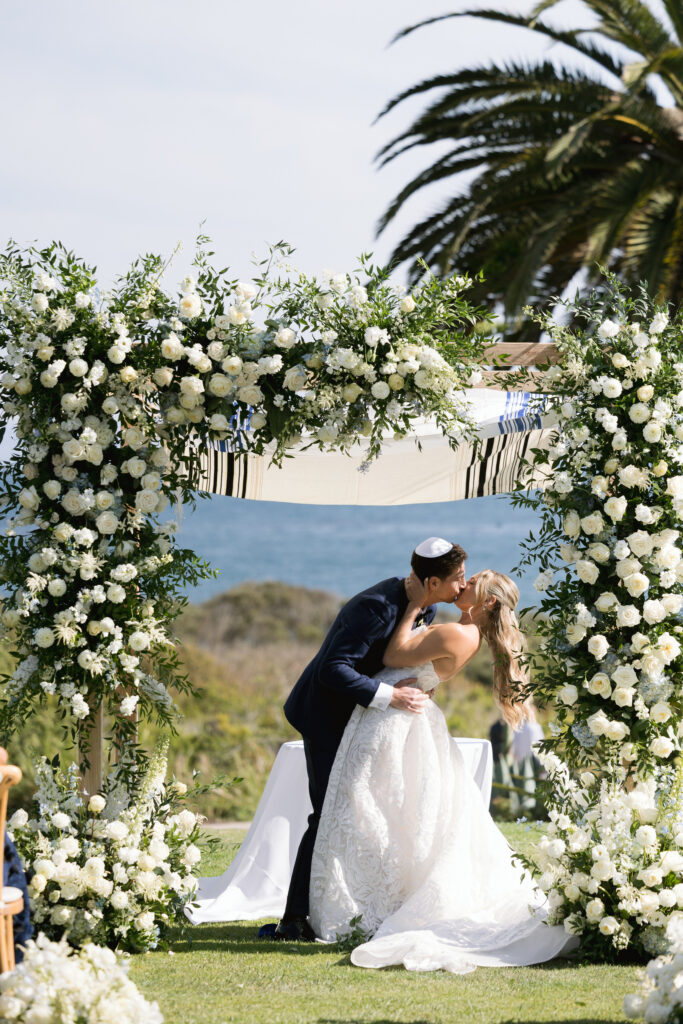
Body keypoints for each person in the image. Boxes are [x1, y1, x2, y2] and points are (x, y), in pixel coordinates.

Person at [309, 570, 577, 973]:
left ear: (487, 602)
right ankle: (376, 898)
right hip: (400, 714)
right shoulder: (465, 632)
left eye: (474, 583)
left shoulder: (458, 632)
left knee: (371, 808)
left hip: (396, 721)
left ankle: (373, 903)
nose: (464, 585)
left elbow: (393, 656)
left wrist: (415, 605)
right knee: (387, 812)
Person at [258, 537, 468, 941]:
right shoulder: (375, 607)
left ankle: (355, 904)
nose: (462, 586)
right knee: (328, 813)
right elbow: (333, 670)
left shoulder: (428, 604)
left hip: (366, 722)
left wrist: (420, 683)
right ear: (433, 582)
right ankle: (295, 918)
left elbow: (400, 655)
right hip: (327, 716)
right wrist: (392, 695)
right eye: (457, 579)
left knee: (364, 813)